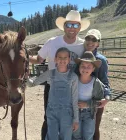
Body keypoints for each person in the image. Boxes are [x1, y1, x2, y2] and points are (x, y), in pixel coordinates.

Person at [29, 10, 90, 140]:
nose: (72, 28)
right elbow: (39, 59)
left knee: (71, 120)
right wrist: (24, 58)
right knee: (48, 119)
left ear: (79, 28)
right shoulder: (52, 42)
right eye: (69, 25)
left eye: (75, 25)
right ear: (64, 26)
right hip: (52, 85)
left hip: (74, 86)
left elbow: (90, 62)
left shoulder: (83, 45)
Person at [27, 47, 79, 140]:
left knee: (66, 137)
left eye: (65, 57)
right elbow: (32, 83)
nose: (62, 60)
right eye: (60, 57)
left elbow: (75, 100)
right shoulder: (50, 74)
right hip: (52, 112)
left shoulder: (73, 77)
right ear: (55, 59)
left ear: (69, 59)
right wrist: (25, 77)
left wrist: (76, 119)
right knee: (52, 137)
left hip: (67, 113)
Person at [83, 29, 111, 140]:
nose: (90, 41)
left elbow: (105, 80)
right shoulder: (82, 56)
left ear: (98, 43)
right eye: (88, 38)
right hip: (81, 98)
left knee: (94, 129)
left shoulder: (101, 60)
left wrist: (107, 96)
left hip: (95, 99)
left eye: (94, 39)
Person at [72, 51, 105, 140]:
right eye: (83, 66)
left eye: (89, 67)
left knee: (88, 135)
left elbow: (100, 103)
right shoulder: (73, 80)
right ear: (79, 67)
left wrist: (87, 104)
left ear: (93, 68)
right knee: (76, 135)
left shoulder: (96, 83)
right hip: (75, 113)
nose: (85, 69)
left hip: (89, 114)